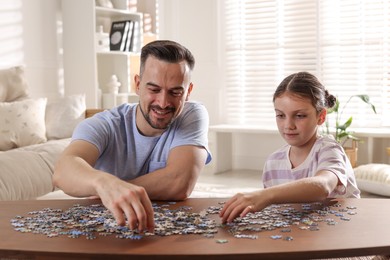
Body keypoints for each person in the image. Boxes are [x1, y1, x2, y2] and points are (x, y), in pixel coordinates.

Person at [53, 40, 212, 232]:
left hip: (165, 230)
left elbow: (180, 183)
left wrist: (116, 192)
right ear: (137, 84)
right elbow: (63, 171)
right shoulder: (104, 124)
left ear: (188, 92)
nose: (163, 102)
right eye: (153, 89)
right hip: (107, 229)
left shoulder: (193, 113)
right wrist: (104, 184)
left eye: (175, 92)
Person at [220, 71, 360, 223]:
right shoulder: (273, 162)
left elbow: (323, 185)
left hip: (342, 231)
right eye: (281, 115)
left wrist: (264, 195)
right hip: (301, 233)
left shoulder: (329, 149)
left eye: (299, 115)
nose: (288, 125)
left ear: (321, 117)